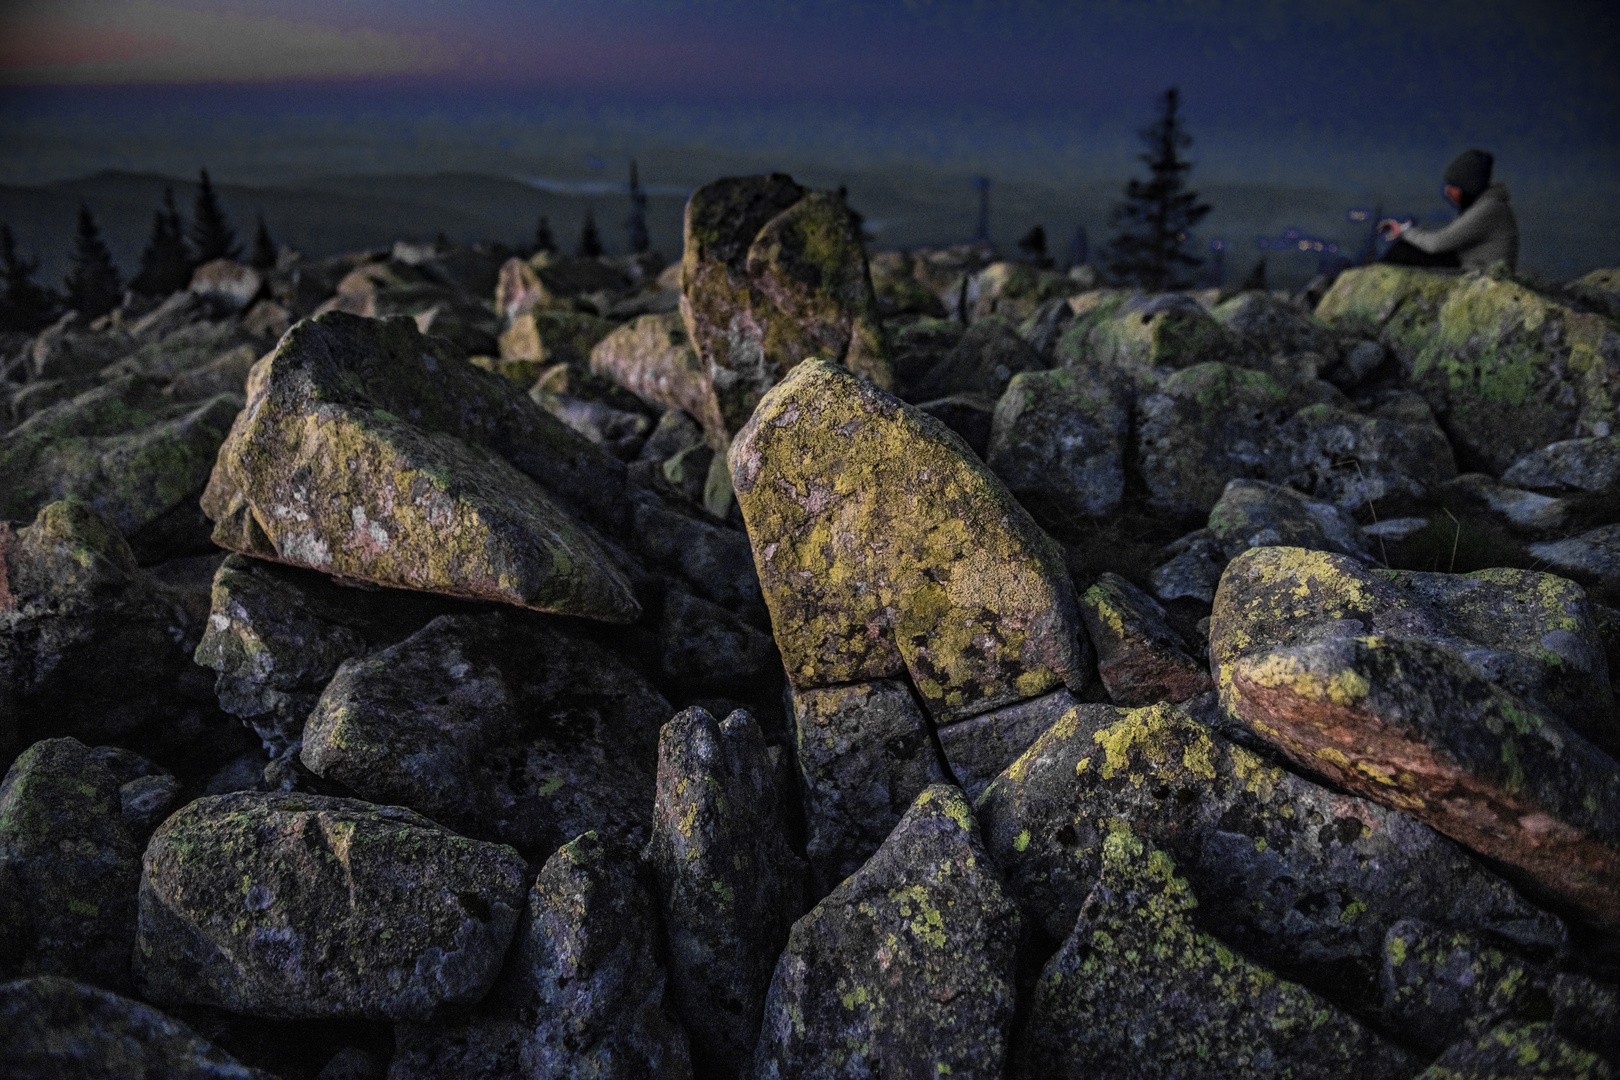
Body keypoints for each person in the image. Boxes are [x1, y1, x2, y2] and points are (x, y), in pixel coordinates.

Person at [1378, 149, 1519, 271]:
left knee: (1403, 251)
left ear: (1469, 187)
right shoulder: (1489, 206)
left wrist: (1404, 231)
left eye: (1453, 185)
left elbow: (1436, 244)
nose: (1447, 191)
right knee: (1412, 249)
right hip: (1474, 267)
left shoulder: (1489, 209)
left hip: (1479, 276)